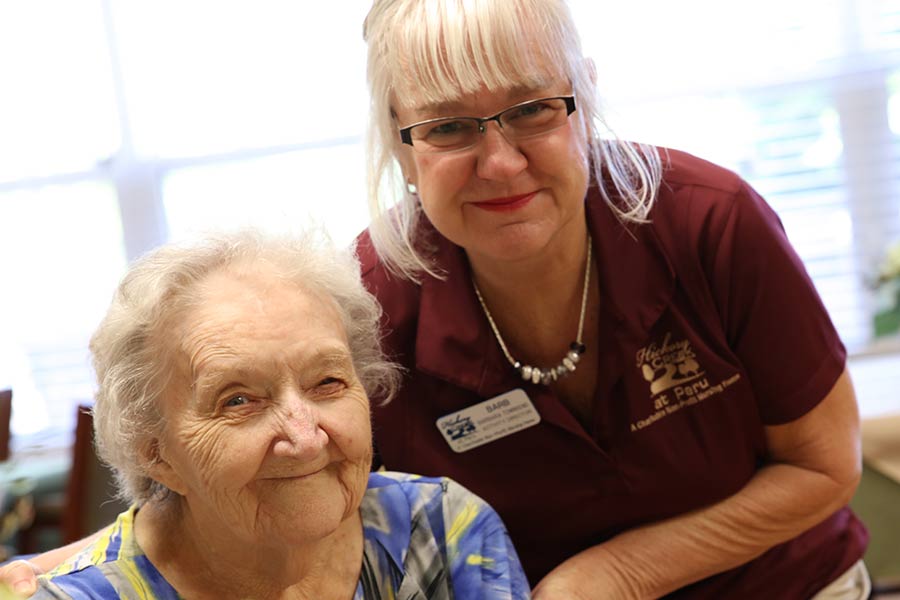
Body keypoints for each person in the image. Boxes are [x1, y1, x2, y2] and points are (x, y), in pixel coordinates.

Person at [5, 0, 870, 597]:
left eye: (532, 109)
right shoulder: (372, 303)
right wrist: (67, 571)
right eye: (450, 126)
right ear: (399, 138)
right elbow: (292, 478)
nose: (499, 162)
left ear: (583, 99)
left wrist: (622, 573)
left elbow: (826, 466)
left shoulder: (704, 225)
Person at [22, 229, 529, 599]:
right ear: (156, 454)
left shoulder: (442, 532)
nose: (306, 438)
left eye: (327, 381)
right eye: (238, 401)